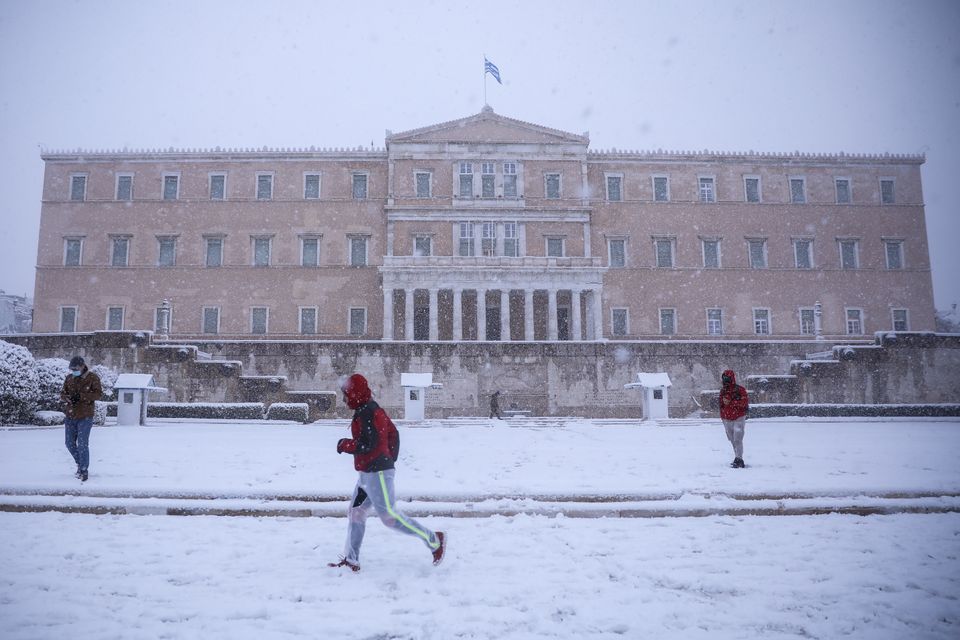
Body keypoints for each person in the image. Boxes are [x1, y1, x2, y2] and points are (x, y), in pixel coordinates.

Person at [329, 373, 446, 572]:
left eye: (346, 395)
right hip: (367, 473)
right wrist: (389, 458)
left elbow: (369, 443)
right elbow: (393, 434)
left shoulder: (369, 412)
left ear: (355, 394)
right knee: (356, 512)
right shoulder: (365, 410)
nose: (344, 399)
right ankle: (352, 560)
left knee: (390, 517)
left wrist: (346, 445)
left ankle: (434, 540)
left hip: (378, 473)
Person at [60, 355, 103, 482]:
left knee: (83, 444)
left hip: (85, 416)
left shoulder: (92, 378)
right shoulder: (69, 378)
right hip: (70, 415)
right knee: (69, 443)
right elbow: (62, 393)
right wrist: (67, 398)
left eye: (76, 368)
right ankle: (80, 462)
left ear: (83, 366)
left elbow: (98, 394)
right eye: (72, 369)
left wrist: (81, 396)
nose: (74, 370)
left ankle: (83, 470)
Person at [718, 369, 749, 468]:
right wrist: (722, 416)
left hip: (738, 417)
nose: (725, 381)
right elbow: (721, 405)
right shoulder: (723, 391)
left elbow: (744, 403)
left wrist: (731, 403)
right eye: (724, 378)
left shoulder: (740, 390)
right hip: (726, 418)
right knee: (732, 439)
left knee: (737, 438)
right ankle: (737, 457)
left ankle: (739, 458)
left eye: (727, 378)